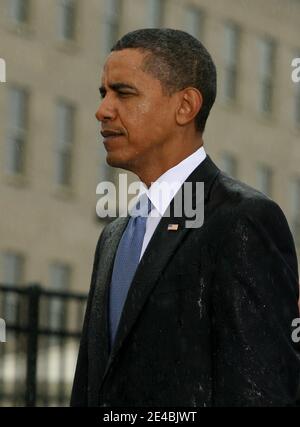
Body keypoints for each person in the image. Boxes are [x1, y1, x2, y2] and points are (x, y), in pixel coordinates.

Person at [70, 28, 300, 407]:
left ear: (185, 106)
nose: (103, 110)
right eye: (103, 93)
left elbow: (260, 391)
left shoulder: (242, 220)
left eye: (123, 92)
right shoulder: (114, 236)